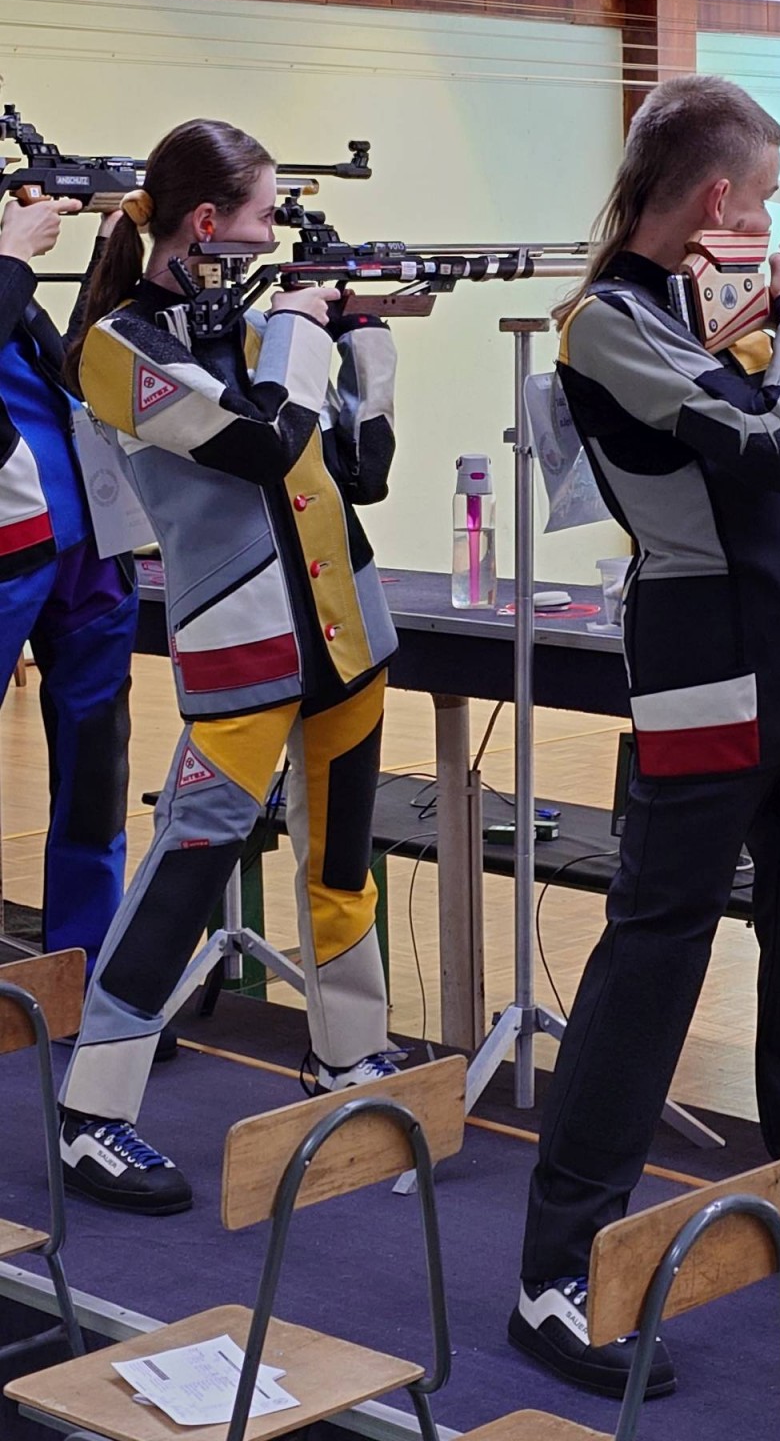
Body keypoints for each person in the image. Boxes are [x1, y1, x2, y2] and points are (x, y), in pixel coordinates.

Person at [510, 75, 780, 1398]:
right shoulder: (607, 325)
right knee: (654, 964)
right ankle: (556, 1268)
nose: (768, 227)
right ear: (714, 197)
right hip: (707, 674)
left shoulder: (704, 316)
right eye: (758, 201)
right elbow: (770, 445)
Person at [58, 119, 401, 1216]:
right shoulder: (114, 351)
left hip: (348, 632)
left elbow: (361, 468)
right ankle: (92, 1111)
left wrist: (369, 348)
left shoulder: (249, 327)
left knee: (342, 862)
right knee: (188, 871)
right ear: (205, 222)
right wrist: (299, 332)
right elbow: (259, 442)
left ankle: (348, 1056)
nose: (272, 236)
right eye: (262, 215)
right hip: (243, 643)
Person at [0, 196, 137, 974]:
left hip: (81, 546)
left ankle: (85, 972)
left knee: (95, 776)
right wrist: (14, 256)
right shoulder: (7, 272)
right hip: (10, 551)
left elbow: (73, 374)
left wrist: (106, 257)